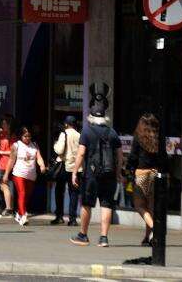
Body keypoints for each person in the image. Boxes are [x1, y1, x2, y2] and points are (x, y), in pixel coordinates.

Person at [71, 86, 122, 247]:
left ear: (91, 114)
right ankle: (104, 238)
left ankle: (83, 235)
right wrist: (118, 172)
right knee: (106, 204)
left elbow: (80, 154)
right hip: (109, 174)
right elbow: (120, 155)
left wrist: (74, 172)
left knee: (87, 204)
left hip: (91, 175)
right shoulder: (112, 132)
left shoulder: (86, 131)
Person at [126, 113, 168, 247]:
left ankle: (156, 231)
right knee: (151, 207)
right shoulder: (158, 138)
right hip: (155, 173)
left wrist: (128, 169)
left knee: (139, 206)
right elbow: (164, 156)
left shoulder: (139, 136)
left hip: (142, 173)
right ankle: (147, 237)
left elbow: (133, 156)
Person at [2, 125, 45, 226]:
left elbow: (39, 157)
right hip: (19, 173)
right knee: (22, 193)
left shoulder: (34, 145)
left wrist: (42, 165)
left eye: (29, 136)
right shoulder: (16, 145)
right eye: (25, 136)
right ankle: (23, 215)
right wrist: (6, 174)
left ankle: (19, 212)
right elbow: (11, 161)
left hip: (31, 174)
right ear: (21, 136)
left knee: (27, 195)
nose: (27, 138)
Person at [51, 116, 81, 226]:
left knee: (59, 191)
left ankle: (59, 216)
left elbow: (59, 150)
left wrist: (55, 145)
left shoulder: (64, 134)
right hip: (76, 168)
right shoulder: (79, 135)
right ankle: (72, 219)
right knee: (74, 193)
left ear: (66, 124)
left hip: (64, 167)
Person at [0, 114, 16, 218]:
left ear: (9, 125)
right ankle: (10, 207)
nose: (3, 125)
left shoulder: (12, 137)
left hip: (6, 163)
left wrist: (1, 151)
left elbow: (13, 152)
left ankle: (9, 208)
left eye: (5, 124)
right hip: (2, 163)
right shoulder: (2, 135)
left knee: (4, 185)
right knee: (5, 186)